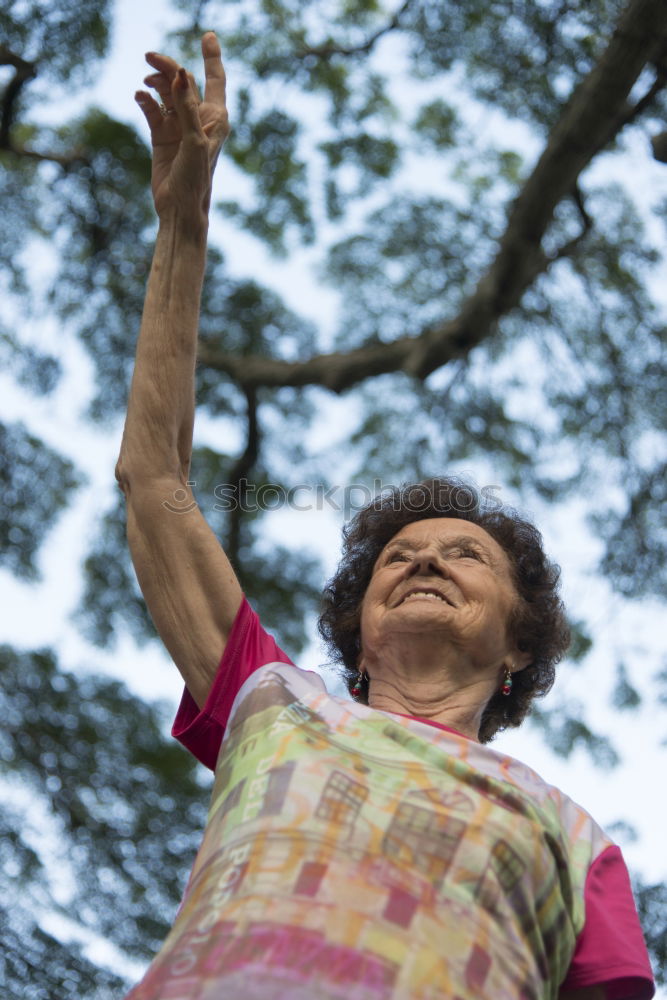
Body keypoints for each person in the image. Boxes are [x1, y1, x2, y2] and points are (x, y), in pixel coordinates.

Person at [115, 33, 655, 1000]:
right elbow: (154, 479)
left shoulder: (578, 844)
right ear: (357, 637)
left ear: (519, 649)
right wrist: (184, 226)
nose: (424, 561)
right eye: (398, 557)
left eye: (463, 556)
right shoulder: (272, 704)